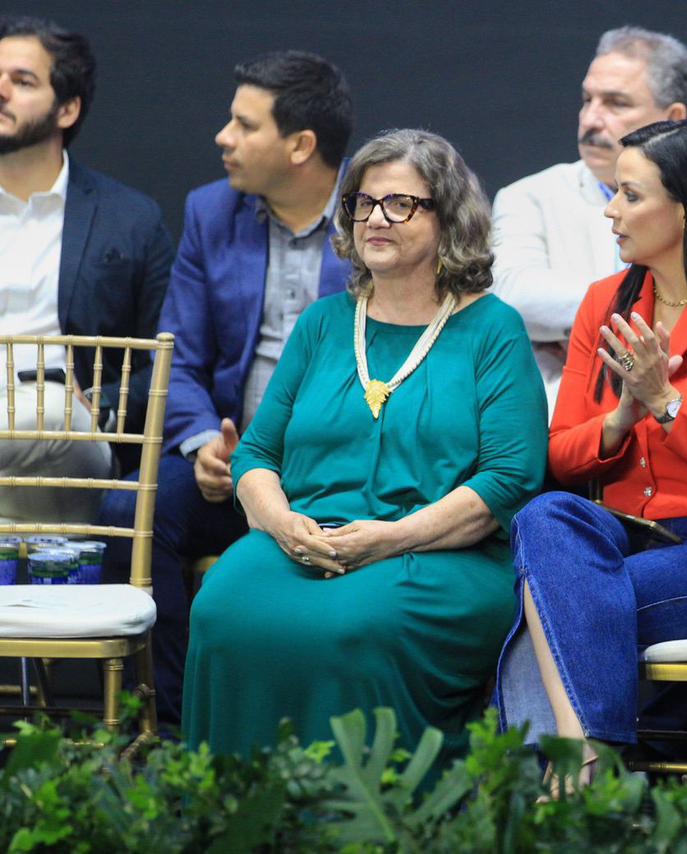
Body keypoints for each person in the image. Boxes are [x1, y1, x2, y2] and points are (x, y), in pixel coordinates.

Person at [184, 129, 547, 764]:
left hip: (441, 556)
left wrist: (392, 537)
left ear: (449, 218)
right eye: (362, 203)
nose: (376, 218)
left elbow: (509, 481)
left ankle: (366, 822)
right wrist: (281, 524)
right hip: (306, 541)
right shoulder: (323, 323)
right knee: (221, 606)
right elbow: (255, 456)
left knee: (352, 628)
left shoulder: (494, 330)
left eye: (401, 204)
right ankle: (234, 816)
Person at [495, 120, 687, 783]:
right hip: (620, 537)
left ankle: (557, 787)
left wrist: (668, 404)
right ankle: (590, 762)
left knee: (547, 607)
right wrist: (622, 417)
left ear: (686, 207)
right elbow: (561, 456)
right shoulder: (604, 304)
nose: (610, 210)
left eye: (629, 195)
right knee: (545, 518)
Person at [96, 50, 353, 726]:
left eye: (244, 125)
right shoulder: (212, 212)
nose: (223, 138)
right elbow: (175, 358)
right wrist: (209, 444)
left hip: (349, 472)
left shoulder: (380, 215)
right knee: (133, 516)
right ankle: (181, 724)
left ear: (300, 145)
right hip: (234, 462)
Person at [491, 25, 687, 416]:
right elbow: (510, 300)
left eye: (616, 103)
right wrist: (665, 315)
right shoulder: (527, 197)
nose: (591, 118)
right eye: (587, 99)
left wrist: (588, 335)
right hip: (572, 434)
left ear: (672, 118)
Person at [0, 15, 171, 523]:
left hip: (68, 419)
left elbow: (168, 359)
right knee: (21, 522)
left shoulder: (130, 219)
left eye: (22, 80)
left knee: (48, 412)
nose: (0, 90)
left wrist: (103, 402)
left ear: (67, 108)